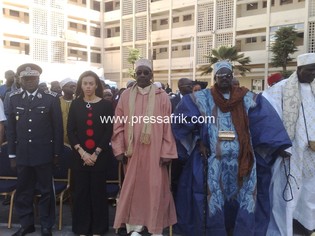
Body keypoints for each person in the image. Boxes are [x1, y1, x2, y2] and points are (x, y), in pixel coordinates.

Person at [171, 60, 291, 236]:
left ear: (232, 76)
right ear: (215, 78)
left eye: (228, 75)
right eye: (221, 76)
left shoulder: (248, 98)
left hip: (243, 160)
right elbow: (183, 120)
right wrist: (198, 139)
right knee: (213, 198)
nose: (225, 79)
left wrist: (278, 145)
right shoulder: (200, 98)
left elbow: (265, 122)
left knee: (243, 198)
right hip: (212, 160)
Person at [111, 58, 177, 236]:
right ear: (135, 74)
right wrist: (118, 148)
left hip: (154, 152)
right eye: (139, 72)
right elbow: (118, 124)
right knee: (133, 188)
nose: (141, 75)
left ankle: (154, 227)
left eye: (145, 72)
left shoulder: (161, 96)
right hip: (131, 152)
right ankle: (135, 228)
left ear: (151, 75)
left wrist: (166, 151)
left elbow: (167, 126)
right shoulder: (125, 96)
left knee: (155, 188)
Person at [7, 63, 64, 236]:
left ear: (39, 78)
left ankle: (46, 225)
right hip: (23, 154)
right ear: (20, 80)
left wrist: (56, 153)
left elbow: (58, 129)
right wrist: (12, 154)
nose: (30, 81)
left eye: (33, 78)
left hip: (44, 154)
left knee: (47, 191)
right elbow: (11, 129)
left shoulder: (50, 98)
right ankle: (26, 224)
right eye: (26, 79)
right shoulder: (13, 98)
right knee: (24, 191)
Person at [263, 53, 315, 236]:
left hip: (311, 153)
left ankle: (306, 225)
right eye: (310, 70)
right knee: (287, 189)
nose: (313, 74)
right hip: (290, 151)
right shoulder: (281, 89)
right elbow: (270, 117)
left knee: (309, 189)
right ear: (299, 69)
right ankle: (284, 228)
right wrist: (281, 145)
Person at [67, 70, 113, 236]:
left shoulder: (106, 105)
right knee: (80, 194)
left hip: (99, 158)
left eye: (91, 83)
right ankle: (81, 229)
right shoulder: (75, 104)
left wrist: (96, 153)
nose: (87, 86)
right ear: (81, 85)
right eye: (85, 83)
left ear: (96, 85)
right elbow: (71, 131)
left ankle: (98, 229)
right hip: (80, 158)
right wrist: (82, 153)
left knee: (98, 194)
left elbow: (109, 130)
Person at [59, 78, 77, 144]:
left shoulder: (79, 101)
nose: (73, 88)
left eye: (74, 86)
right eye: (71, 86)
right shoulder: (57, 102)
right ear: (63, 88)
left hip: (77, 139)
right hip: (61, 139)